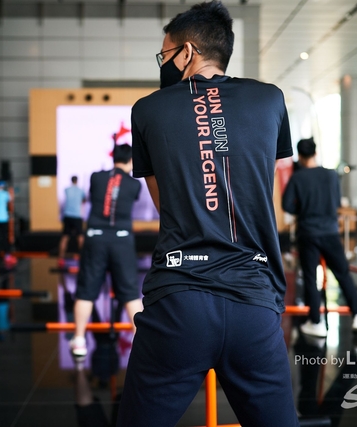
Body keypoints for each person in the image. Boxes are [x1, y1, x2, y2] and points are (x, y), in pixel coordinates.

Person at [118, 2, 300, 426]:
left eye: (165, 54)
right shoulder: (270, 99)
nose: (163, 63)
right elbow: (259, 189)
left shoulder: (147, 109)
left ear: (187, 52)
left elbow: (167, 205)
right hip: (254, 299)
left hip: (178, 301)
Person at [282, 137, 357, 337]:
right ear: (315, 153)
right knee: (343, 273)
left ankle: (316, 322)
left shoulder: (297, 178)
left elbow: (286, 205)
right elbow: (336, 202)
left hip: (308, 233)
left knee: (310, 278)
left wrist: (302, 210)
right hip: (330, 232)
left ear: (300, 156)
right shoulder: (330, 175)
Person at [69, 144, 142, 360]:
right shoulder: (134, 184)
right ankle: (141, 343)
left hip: (95, 238)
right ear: (131, 160)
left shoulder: (96, 177)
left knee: (86, 290)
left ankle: (79, 340)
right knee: (130, 293)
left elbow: (100, 195)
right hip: (122, 240)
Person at [58, 176, 86, 267]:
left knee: (65, 237)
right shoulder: (81, 191)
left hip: (67, 216)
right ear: (77, 181)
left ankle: (61, 258)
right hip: (77, 216)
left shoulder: (67, 190)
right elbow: (84, 200)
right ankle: (83, 258)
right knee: (80, 237)